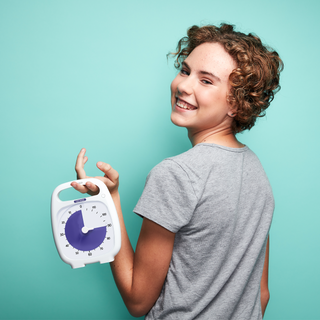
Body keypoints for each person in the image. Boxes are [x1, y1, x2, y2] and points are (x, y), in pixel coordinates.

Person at [71, 23, 283, 319]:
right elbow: (262, 294)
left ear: (236, 103)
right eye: (185, 71)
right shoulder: (256, 169)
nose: (183, 85)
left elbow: (137, 300)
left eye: (206, 81)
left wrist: (106, 203)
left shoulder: (175, 174)